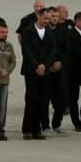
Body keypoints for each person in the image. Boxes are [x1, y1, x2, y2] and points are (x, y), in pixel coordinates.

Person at [20, 8, 55, 140]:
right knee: (31, 98)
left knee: (43, 100)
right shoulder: (28, 31)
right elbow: (26, 50)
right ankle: (27, 129)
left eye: (48, 19)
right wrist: (36, 65)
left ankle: (37, 129)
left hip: (44, 71)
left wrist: (45, 66)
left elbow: (52, 51)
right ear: (39, 17)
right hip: (30, 71)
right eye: (45, 18)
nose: (47, 21)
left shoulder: (50, 33)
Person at [43, 7, 69, 133]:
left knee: (63, 99)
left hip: (60, 70)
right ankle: (45, 125)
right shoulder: (43, 31)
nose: (54, 18)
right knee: (45, 98)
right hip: (47, 70)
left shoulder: (63, 31)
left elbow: (66, 50)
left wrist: (60, 62)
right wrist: (50, 64)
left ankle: (56, 124)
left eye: (56, 16)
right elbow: (41, 51)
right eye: (52, 16)